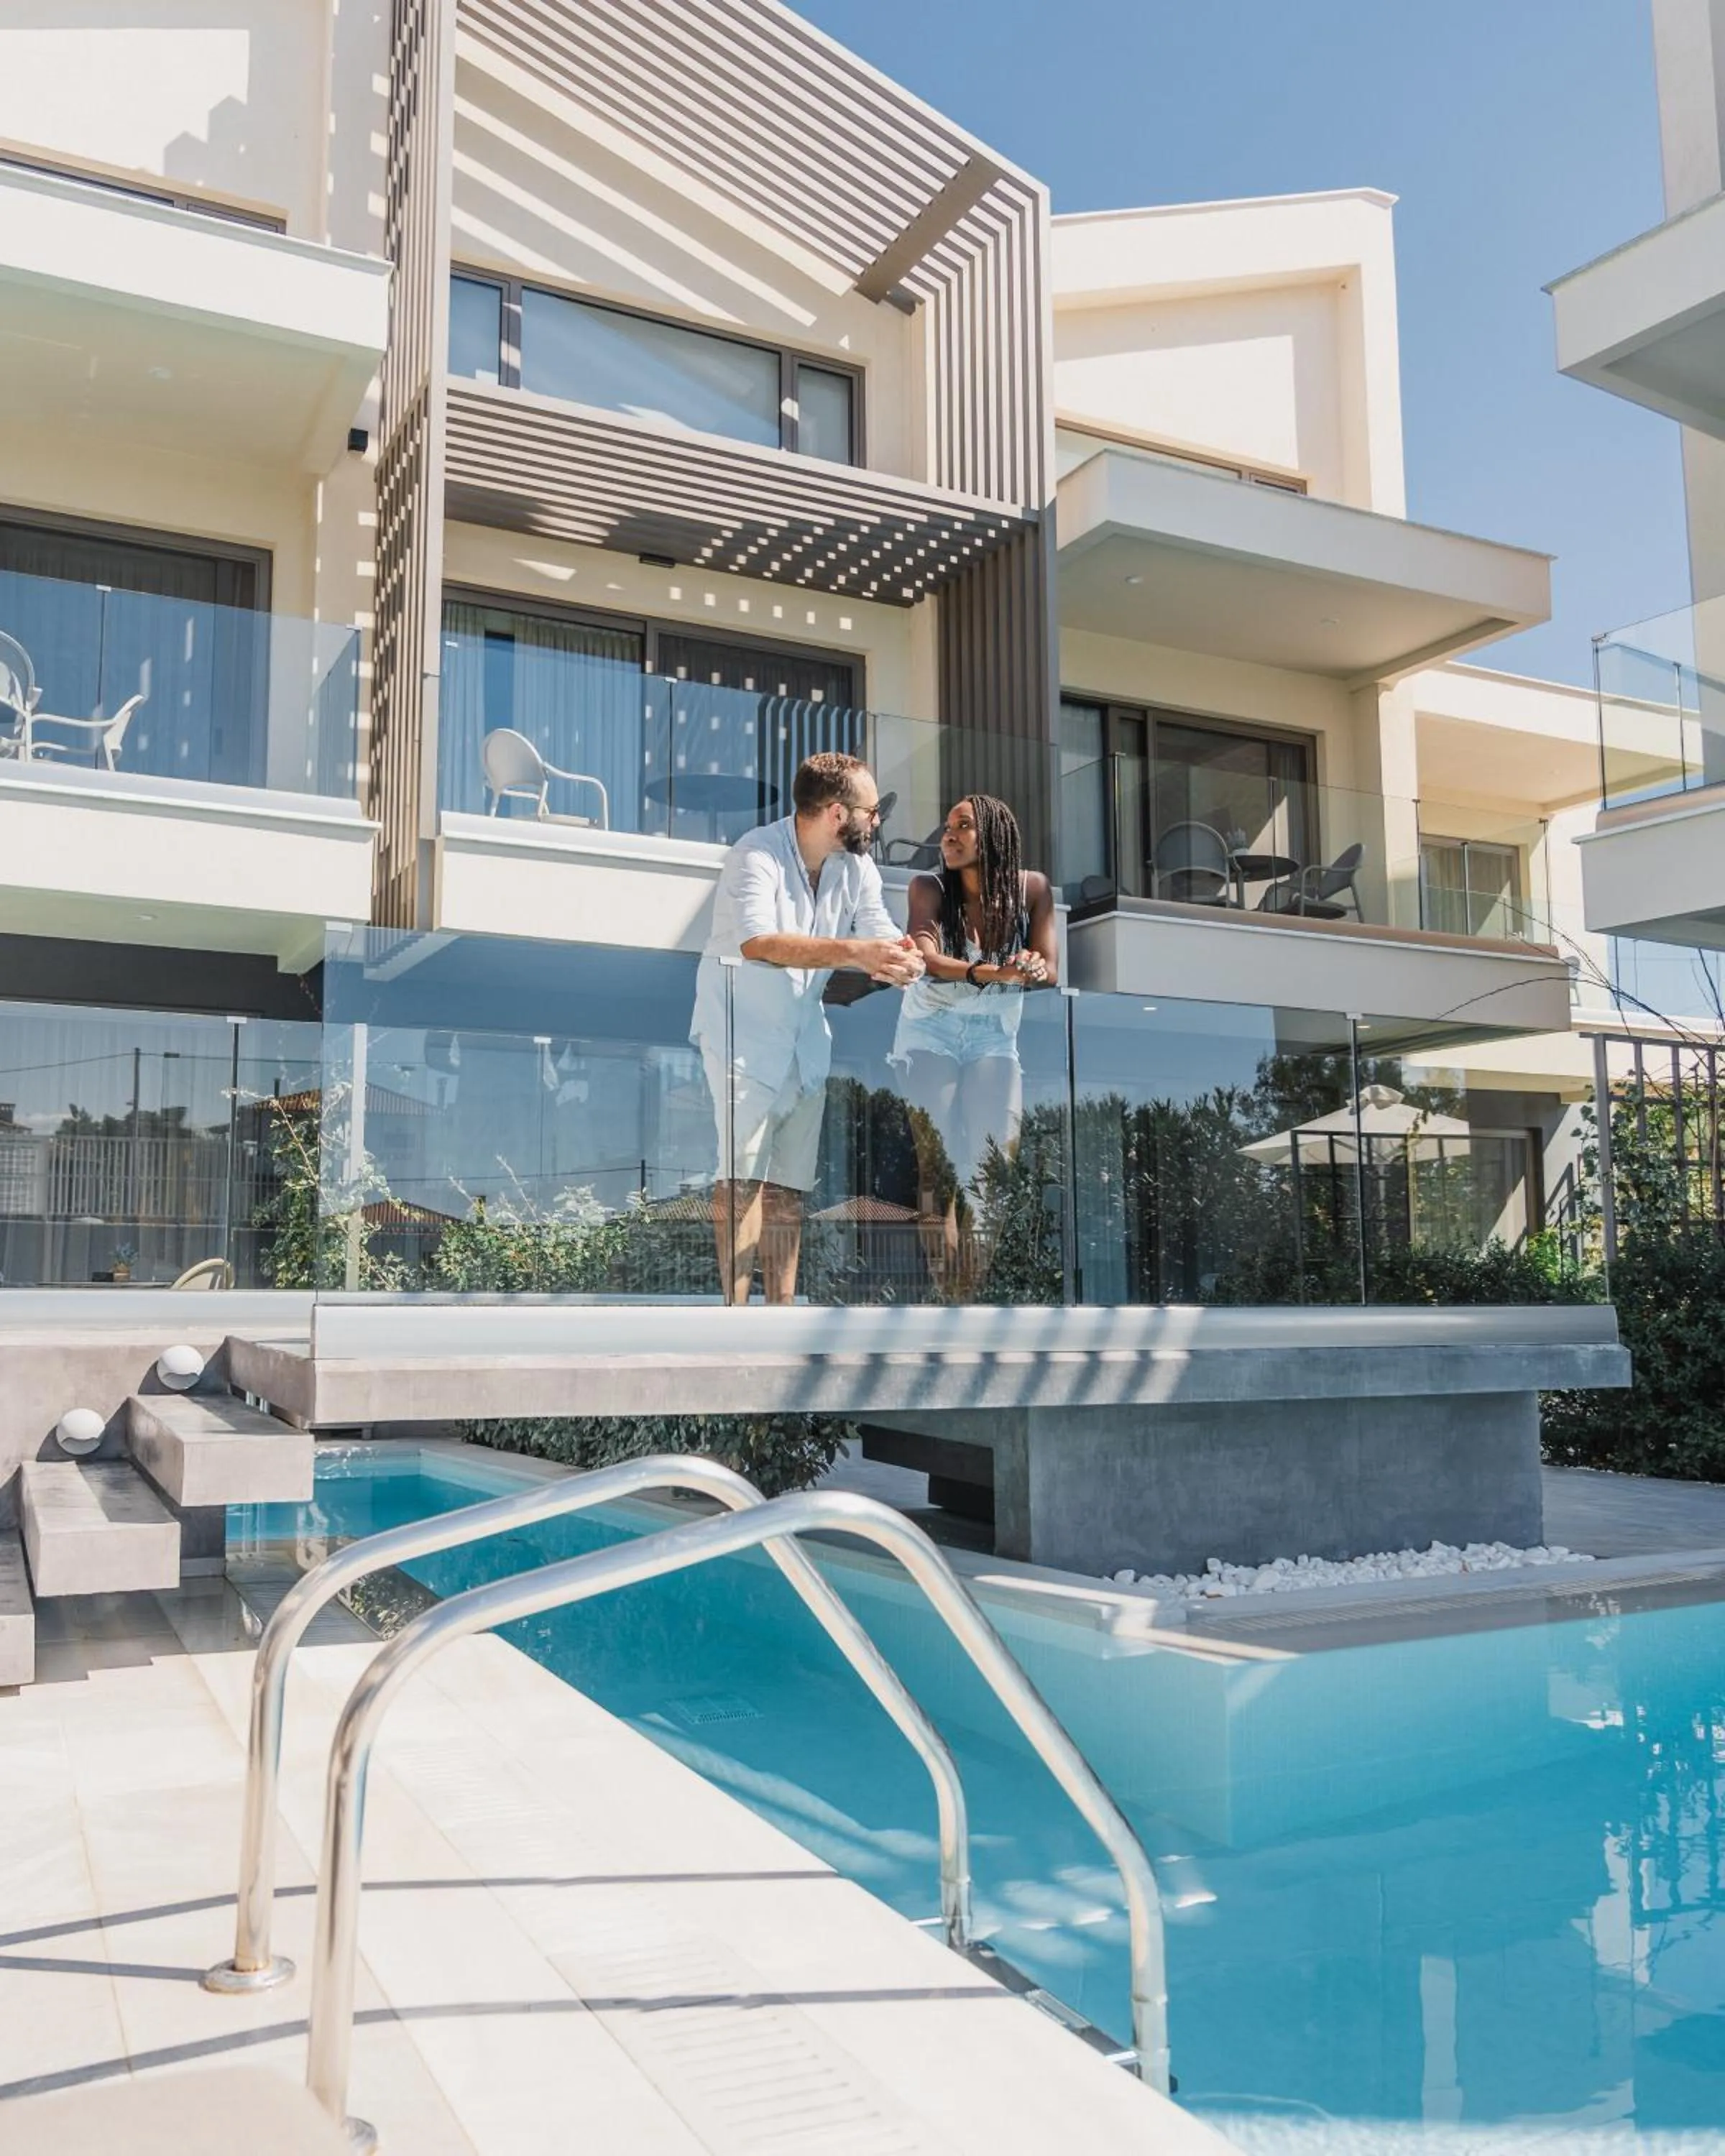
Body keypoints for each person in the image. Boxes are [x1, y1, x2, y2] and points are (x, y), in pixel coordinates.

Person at [691, 750, 923, 1304]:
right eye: (872, 810)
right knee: (742, 1179)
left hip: (804, 1041)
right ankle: (736, 1316)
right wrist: (859, 952)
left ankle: (781, 1312)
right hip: (739, 1038)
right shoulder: (756, 855)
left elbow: (879, 933)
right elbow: (758, 942)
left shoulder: (857, 867)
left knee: (790, 1188)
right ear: (838, 814)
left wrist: (904, 957)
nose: (878, 821)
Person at [891, 793, 1058, 1296]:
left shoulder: (1032, 889)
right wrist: (993, 972)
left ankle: (970, 1290)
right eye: (946, 827)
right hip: (930, 1029)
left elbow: (1050, 969)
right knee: (937, 1166)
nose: (949, 835)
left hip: (994, 1035)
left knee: (993, 1168)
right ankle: (948, 1293)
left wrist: (1030, 966)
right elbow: (926, 957)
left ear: (995, 836)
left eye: (963, 826)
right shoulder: (928, 887)